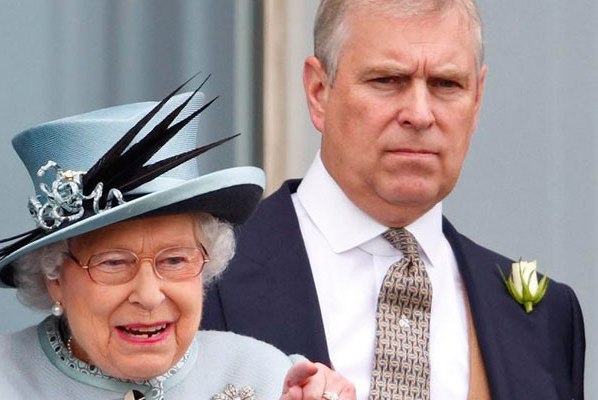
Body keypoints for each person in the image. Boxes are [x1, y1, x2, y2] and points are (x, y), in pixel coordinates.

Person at [201, 1, 585, 399]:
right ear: (318, 92)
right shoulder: (197, 281)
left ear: (477, 100)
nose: (419, 114)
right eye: (387, 80)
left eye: (446, 84)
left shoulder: (548, 320)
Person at [0, 81, 356, 400]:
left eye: (175, 260)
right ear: (53, 277)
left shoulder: (269, 377)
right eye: (113, 263)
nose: (149, 295)